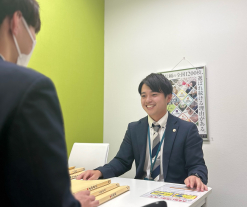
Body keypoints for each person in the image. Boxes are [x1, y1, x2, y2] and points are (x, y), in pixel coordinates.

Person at [0, 0, 98, 206]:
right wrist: (73, 203)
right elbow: (50, 198)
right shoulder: (31, 87)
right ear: (17, 22)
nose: (34, 40)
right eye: (34, 31)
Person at [77, 73, 208, 192]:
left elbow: (197, 165)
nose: (147, 100)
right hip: (140, 190)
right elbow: (122, 161)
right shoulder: (134, 128)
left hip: (172, 192)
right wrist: (99, 171)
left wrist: (195, 176)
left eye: (154, 95)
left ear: (168, 98)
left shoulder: (187, 129)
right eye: (143, 96)